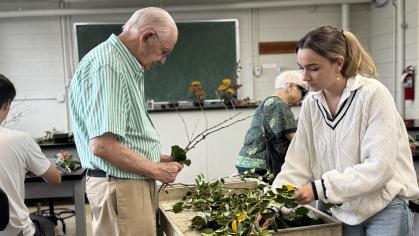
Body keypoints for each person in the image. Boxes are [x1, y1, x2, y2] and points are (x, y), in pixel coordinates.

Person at [271, 26, 419, 235]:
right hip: (339, 210)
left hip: (383, 207)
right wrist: (274, 204)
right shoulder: (311, 104)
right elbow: (298, 162)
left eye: (313, 68)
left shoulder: (372, 95)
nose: (304, 77)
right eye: (301, 68)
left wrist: (318, 188)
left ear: (338, 63)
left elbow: (380, 166)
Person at [69, 7, 184, 236]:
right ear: (147, 36)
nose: (162, 60)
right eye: (164, 51)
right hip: (121, 189)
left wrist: (155, 157)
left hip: (124, 186)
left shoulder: (120, 63)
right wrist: (156, 170)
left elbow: (118, 138)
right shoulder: (110, 66)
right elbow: (103, 146)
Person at [0, 74, 62, 236]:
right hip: (14, 231)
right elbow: (55, 179)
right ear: (7, 104)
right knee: (49, 225)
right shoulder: (20, 139)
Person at [236, 70, 308, 177]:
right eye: (303, 91)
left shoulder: (269, 102)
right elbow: (294, 139)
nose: (303, 96)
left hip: (248, 162)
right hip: (260, 165)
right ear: (290, 86)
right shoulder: (278, 104)